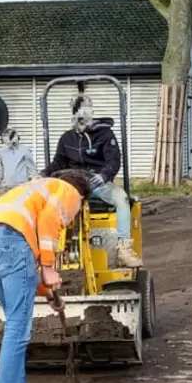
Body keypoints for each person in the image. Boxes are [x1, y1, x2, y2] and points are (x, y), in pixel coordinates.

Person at [0, 169, 93, 383]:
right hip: (13, 242)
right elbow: (51, 220)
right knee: (17, 331)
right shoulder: (68, 191)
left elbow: (28, 270)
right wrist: (50, 267)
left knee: (16, 326)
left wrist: (49, 294)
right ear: (82, 197)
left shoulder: (33, 189)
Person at [46, 96, 140, 268]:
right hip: (72, 183)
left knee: (122, 199)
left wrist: (104, 175)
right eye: (78, 112)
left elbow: (114, 160)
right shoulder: (66, 139)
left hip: (98, 183)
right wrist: (44, 174)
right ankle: (51, 251)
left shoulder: (104, 135)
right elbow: (58, 162)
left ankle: (123, 248)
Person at [0, 128, 37, 193]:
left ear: (15, 137)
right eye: (5, 141)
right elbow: (2, 168)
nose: (7, 142)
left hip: (21, 187)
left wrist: (35, 183)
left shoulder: (25, 150)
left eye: (8, 139)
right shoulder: (2, 152)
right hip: (6, 187)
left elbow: (32, 169)